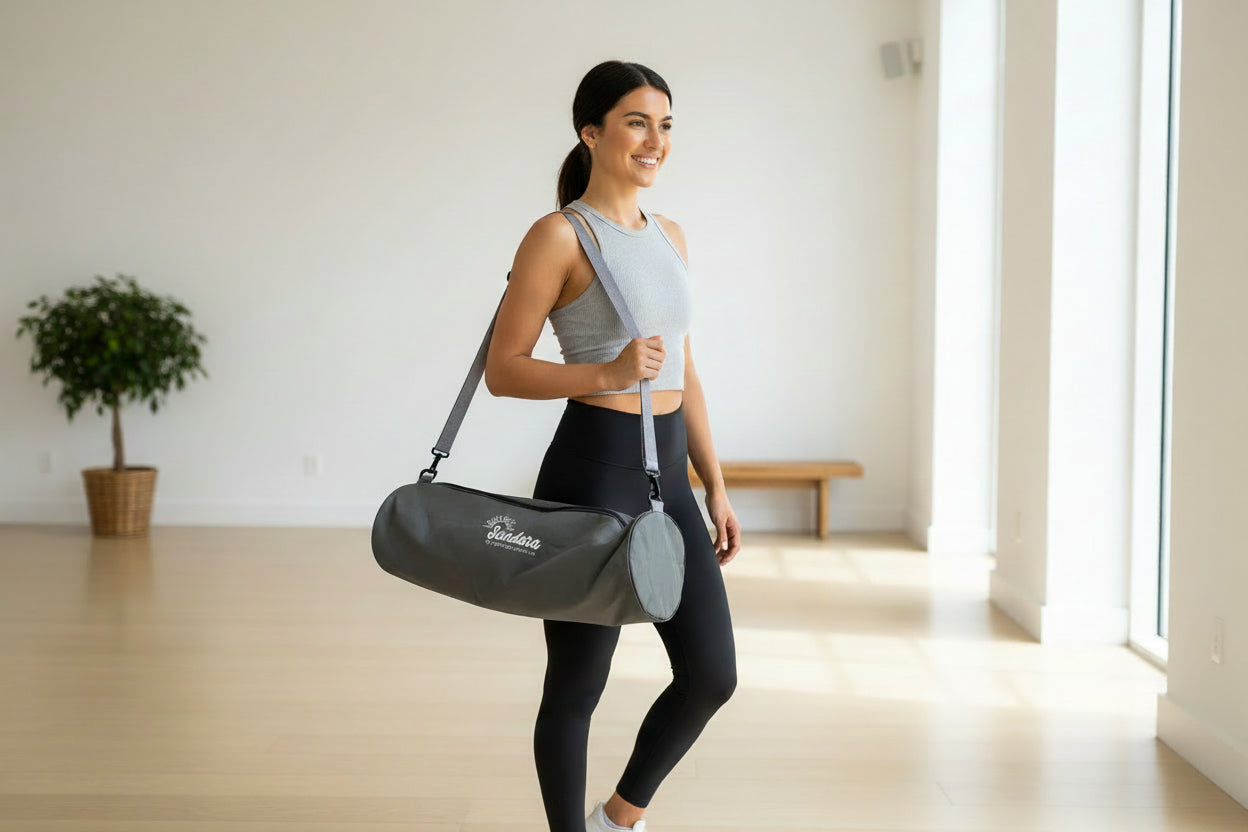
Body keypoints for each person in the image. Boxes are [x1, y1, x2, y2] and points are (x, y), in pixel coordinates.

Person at [483, 60, 742, 832]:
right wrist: (607, 370)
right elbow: (503, 370)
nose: (655, 140)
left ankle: (616, 819)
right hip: (593, 474)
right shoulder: (558, 235)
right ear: (591, 131)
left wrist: (716, 484)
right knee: (576, 689)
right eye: (637, 121)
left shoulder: (671, 235)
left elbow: (685, 367)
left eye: (665, 124)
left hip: (668, 475)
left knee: (710, 675)